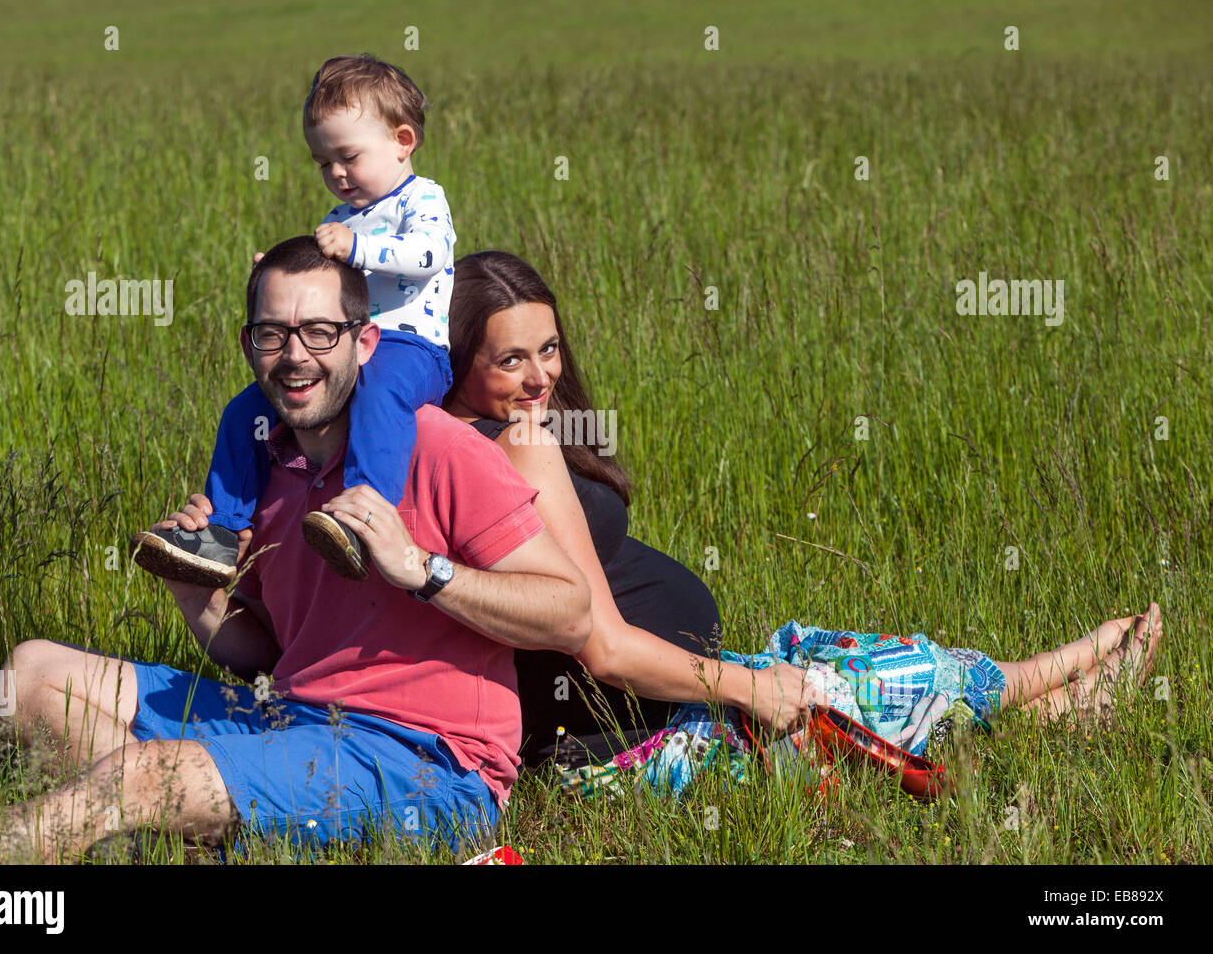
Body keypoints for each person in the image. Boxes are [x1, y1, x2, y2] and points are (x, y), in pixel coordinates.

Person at [0, 238, 591, 864]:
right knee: (28, 678)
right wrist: (195, 595)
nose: (296, 356)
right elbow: (265, 654)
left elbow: (570, 614)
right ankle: (190, 827)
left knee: (138, 774)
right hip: (291, 718)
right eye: (274, 334)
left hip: (426, 760)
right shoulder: (264, 464)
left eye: (321, 333)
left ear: (365, 341)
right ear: (248, 345)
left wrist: (422, 570)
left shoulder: (438, 447)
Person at [439, 251, 1164, 769]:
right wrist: (750, 688)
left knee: (846, 663)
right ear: (457, 358)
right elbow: (604, 648)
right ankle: (1058, 673)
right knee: (884, 682)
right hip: (617, 739)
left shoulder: (480, 434)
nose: (541, 377)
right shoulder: (509, 444)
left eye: (550, 349)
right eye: (511, 360)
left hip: (672, 689)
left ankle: (1052, 707)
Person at [134, 53, 457, 585]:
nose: (336, 172)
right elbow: (320, 279)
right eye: (322, 162)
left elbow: (430, 255)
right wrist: (282, 269)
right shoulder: (339, 218)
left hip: (409, 348)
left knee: (379, 394)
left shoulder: (420, 200)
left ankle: (361, 518)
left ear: (403, 141)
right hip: (344, 346)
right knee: (246, 409)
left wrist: (357, 247)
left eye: (348, 156)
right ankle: (221, 531)